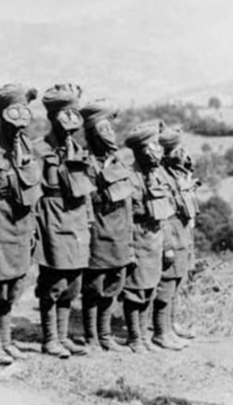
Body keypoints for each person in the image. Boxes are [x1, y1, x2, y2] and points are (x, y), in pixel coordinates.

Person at [0, 83, 42, 364]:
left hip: (20, 225)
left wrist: (32, 229)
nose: (19, 124)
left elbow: (31, 191)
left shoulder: (25, 147)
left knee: (14, 285)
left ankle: (6, 342)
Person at [34, 83, 94, 358]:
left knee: (74, 281)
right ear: (52, 117)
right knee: (54, 279)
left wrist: (89, 218)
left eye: (74, 115)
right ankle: (50, 338)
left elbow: (86, 187)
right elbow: (33, 190)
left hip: (77, 215)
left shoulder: (79, 149)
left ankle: (63, 336)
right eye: (63, 115)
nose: (69, 122)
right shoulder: (39, 149)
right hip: (53, 215)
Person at [79, 98, 133, 352]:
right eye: (103, 129)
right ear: (92, 133)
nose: (109, 134)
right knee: (94, 287)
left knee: (113, 285)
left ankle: (105, 334)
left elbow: (128, 198)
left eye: (110, 128)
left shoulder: (120, 160)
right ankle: (91, 336)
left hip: (120, 232)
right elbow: (89, 198)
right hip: (98, 232)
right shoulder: (86, 163)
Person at [123, 120, 175, 353]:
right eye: (152, 146)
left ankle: (144, 336)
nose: (157, 151)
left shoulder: (156, 176)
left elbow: (164, 215)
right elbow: (124, 218)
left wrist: (167, 245)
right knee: (134, 292)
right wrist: (129, 250)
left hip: (155, 239)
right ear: (140, 150)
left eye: (157, 145)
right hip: (136, 238)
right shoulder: (129, 177)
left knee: (150, 289)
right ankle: (135, 337)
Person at [154, 127, 198, 350]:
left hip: (182, 230)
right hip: (170, 230)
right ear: (169, 152)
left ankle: (170, 326)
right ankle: (161, 332)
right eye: (180, 150)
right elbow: (162, 211)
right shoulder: (160, 175)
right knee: (167, 283)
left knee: (178, 279)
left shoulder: (176, 173)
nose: (185, 155)